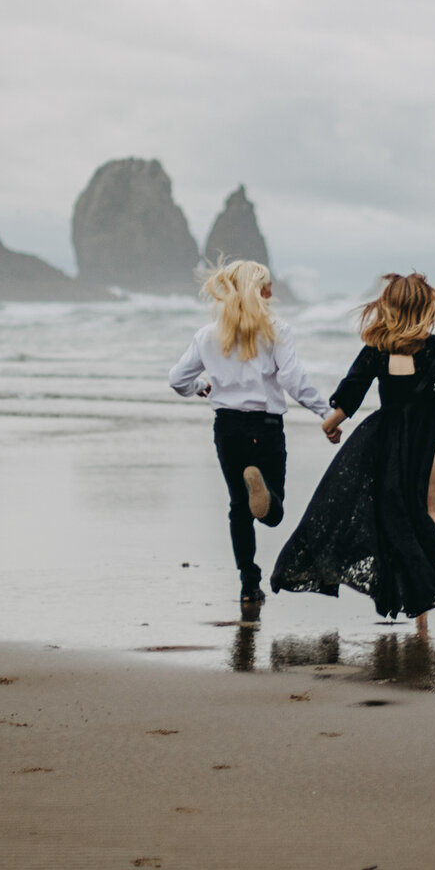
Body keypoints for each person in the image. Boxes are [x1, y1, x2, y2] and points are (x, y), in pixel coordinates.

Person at [270, 272, 435, 632]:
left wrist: (331, 423)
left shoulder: (376, 349)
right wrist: (423, 397)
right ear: (425, 307)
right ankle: (423, 608)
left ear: (387, 305)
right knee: (428, 513)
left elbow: (352, 392)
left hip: (385, 442)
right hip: (431, 440)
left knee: (387, 516)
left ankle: (404, 594)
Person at [168, 259, 333, 615]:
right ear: (258, 290)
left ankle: (248, 583)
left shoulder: (208, 334)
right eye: (268, 285)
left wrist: (202, 386)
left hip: (228, 428)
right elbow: (292, 381)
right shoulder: (277, 330)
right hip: (266, 428)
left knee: (237, 509)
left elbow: (177, 380)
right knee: (273, 512)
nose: (273, 292)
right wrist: (325, 412)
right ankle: (265, 492)